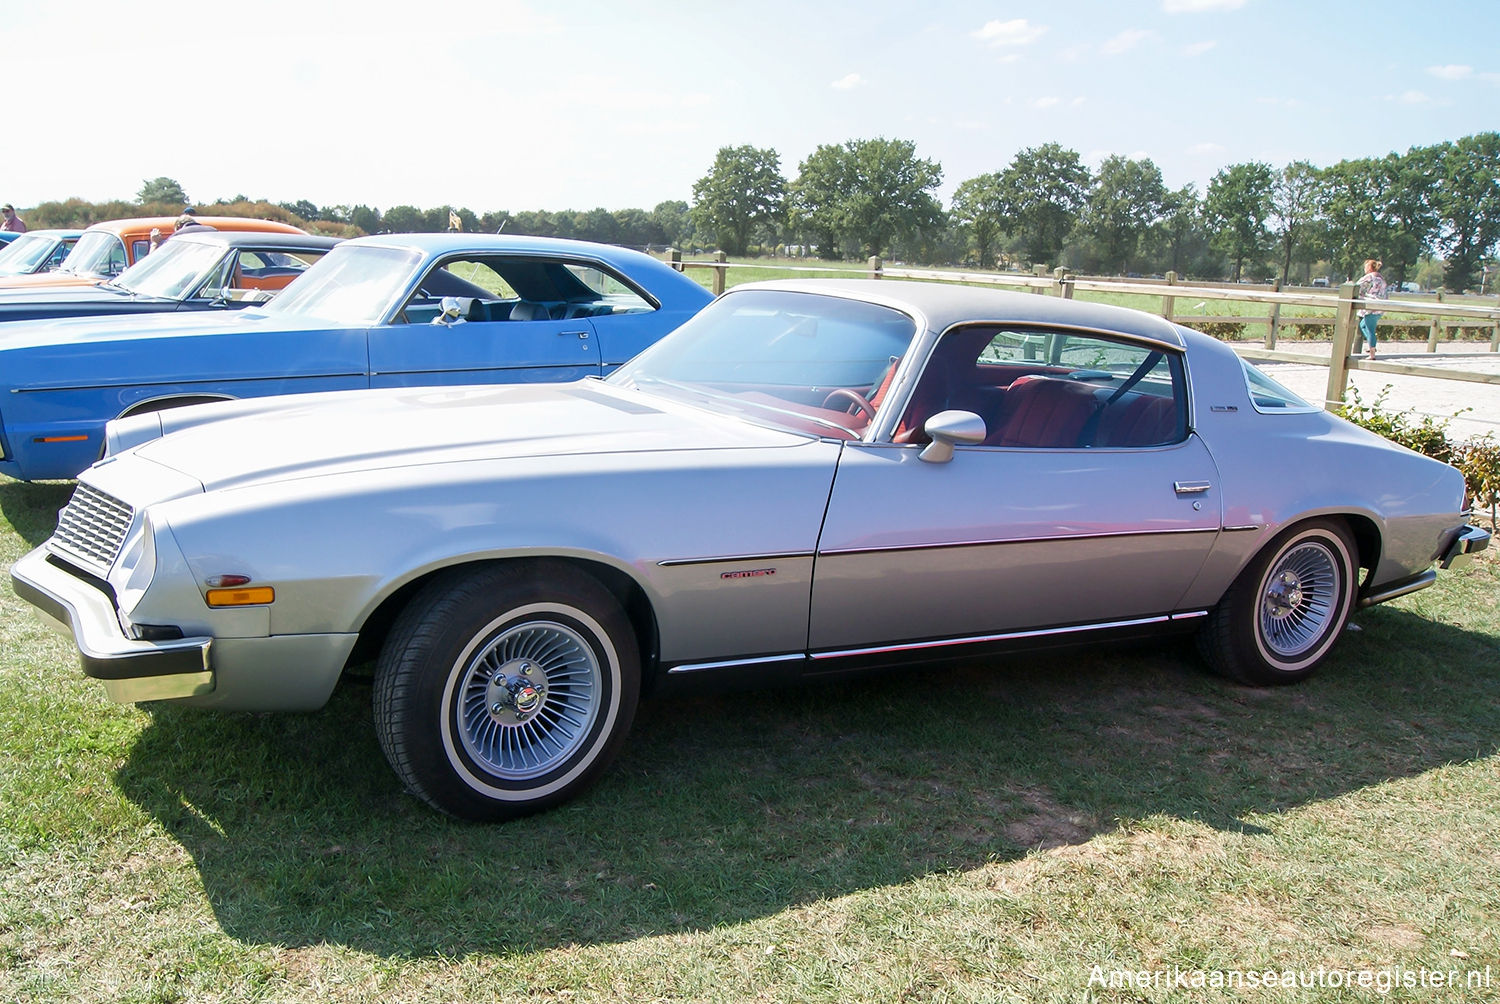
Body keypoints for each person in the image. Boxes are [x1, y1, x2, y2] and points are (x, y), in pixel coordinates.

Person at [1356, 258, 1387, 360]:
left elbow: (1357, 286)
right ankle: (1372, 345)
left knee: (1369, 329)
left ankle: (1372, 352)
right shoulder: (1381, 278)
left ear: (1369, 267)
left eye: (1365, 267)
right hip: (1381, 306)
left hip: (1372, 306)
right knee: (1363, 325)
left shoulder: (1369, 277)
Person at [149, 214, 218, 251]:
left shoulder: (178, 236)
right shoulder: (213, 231)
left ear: (178, 227)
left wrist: (154, 243)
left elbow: (153, 263)